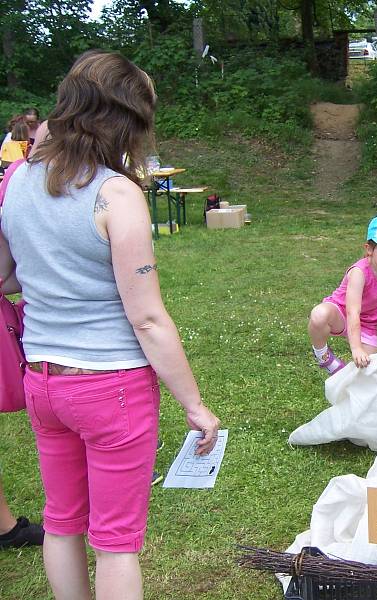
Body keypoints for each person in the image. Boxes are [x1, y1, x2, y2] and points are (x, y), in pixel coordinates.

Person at [0, 50, 220, 600]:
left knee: (63, 521)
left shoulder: (15, 179)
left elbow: (4, 276)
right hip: (111, 387)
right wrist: (194, 405)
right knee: (117, 543)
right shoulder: (115, 192)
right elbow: (146, 317)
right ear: (126, 119)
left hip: (44, 381)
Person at [308, 213, 377, 374]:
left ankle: (346, 390)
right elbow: (352, 311)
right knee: (319, 314)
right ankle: (323, 357)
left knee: (369, 370)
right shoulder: (359, 272)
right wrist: (356, 348)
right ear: (369, 249)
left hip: (368, 324)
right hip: (341, 313)